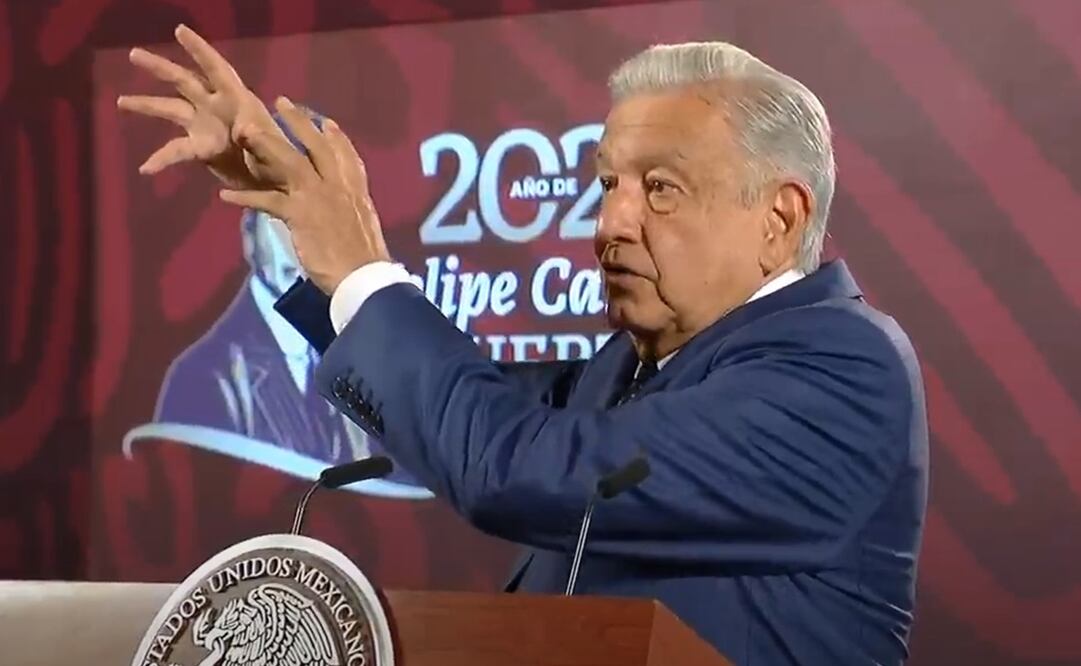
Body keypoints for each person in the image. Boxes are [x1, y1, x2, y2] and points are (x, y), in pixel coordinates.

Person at [119, 26, 929, 666]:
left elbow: (506, 461)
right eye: (607, 183)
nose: (610, 221)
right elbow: (455, 412)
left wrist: (366, 265)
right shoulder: (631, 367)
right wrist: (302, 229)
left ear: (778, 220)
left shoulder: (843, 369)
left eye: (660, 188)